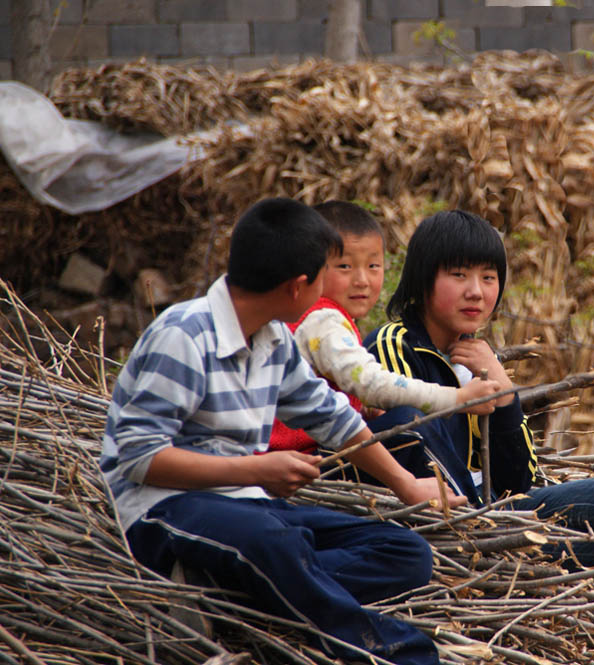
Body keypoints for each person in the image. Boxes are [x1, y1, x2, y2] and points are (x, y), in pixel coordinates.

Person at [99, 197, 464, 665]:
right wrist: (256, 468)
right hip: (165, 509)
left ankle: (225, 593)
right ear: (298, 287)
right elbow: (138, 458)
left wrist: (404, 483)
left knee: (405, 552)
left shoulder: (272, 340)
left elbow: (330, 414)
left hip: (250, 509)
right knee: (277, 545)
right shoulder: (184, 335)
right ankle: (398, 651)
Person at [364, 210, 594, 665]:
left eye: (489, 277)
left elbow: (523, 479)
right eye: (458, 275)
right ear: (421, 280)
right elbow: (411, 442)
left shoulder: (472, 356)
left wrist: (500, 384)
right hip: (458, 529)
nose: (476, 290)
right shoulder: (394, 346)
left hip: (498, 521)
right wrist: (464, 399)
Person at [269, 200, 500, 456]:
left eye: (373, 266)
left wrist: (360, 408)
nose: (362, 281)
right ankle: (463, 498)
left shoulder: (326, 319)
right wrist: (458, 399)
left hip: (317, 452)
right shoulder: (322, 321)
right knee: (409, 422)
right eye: (345, 266)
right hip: (304, 459)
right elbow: (373, 384)